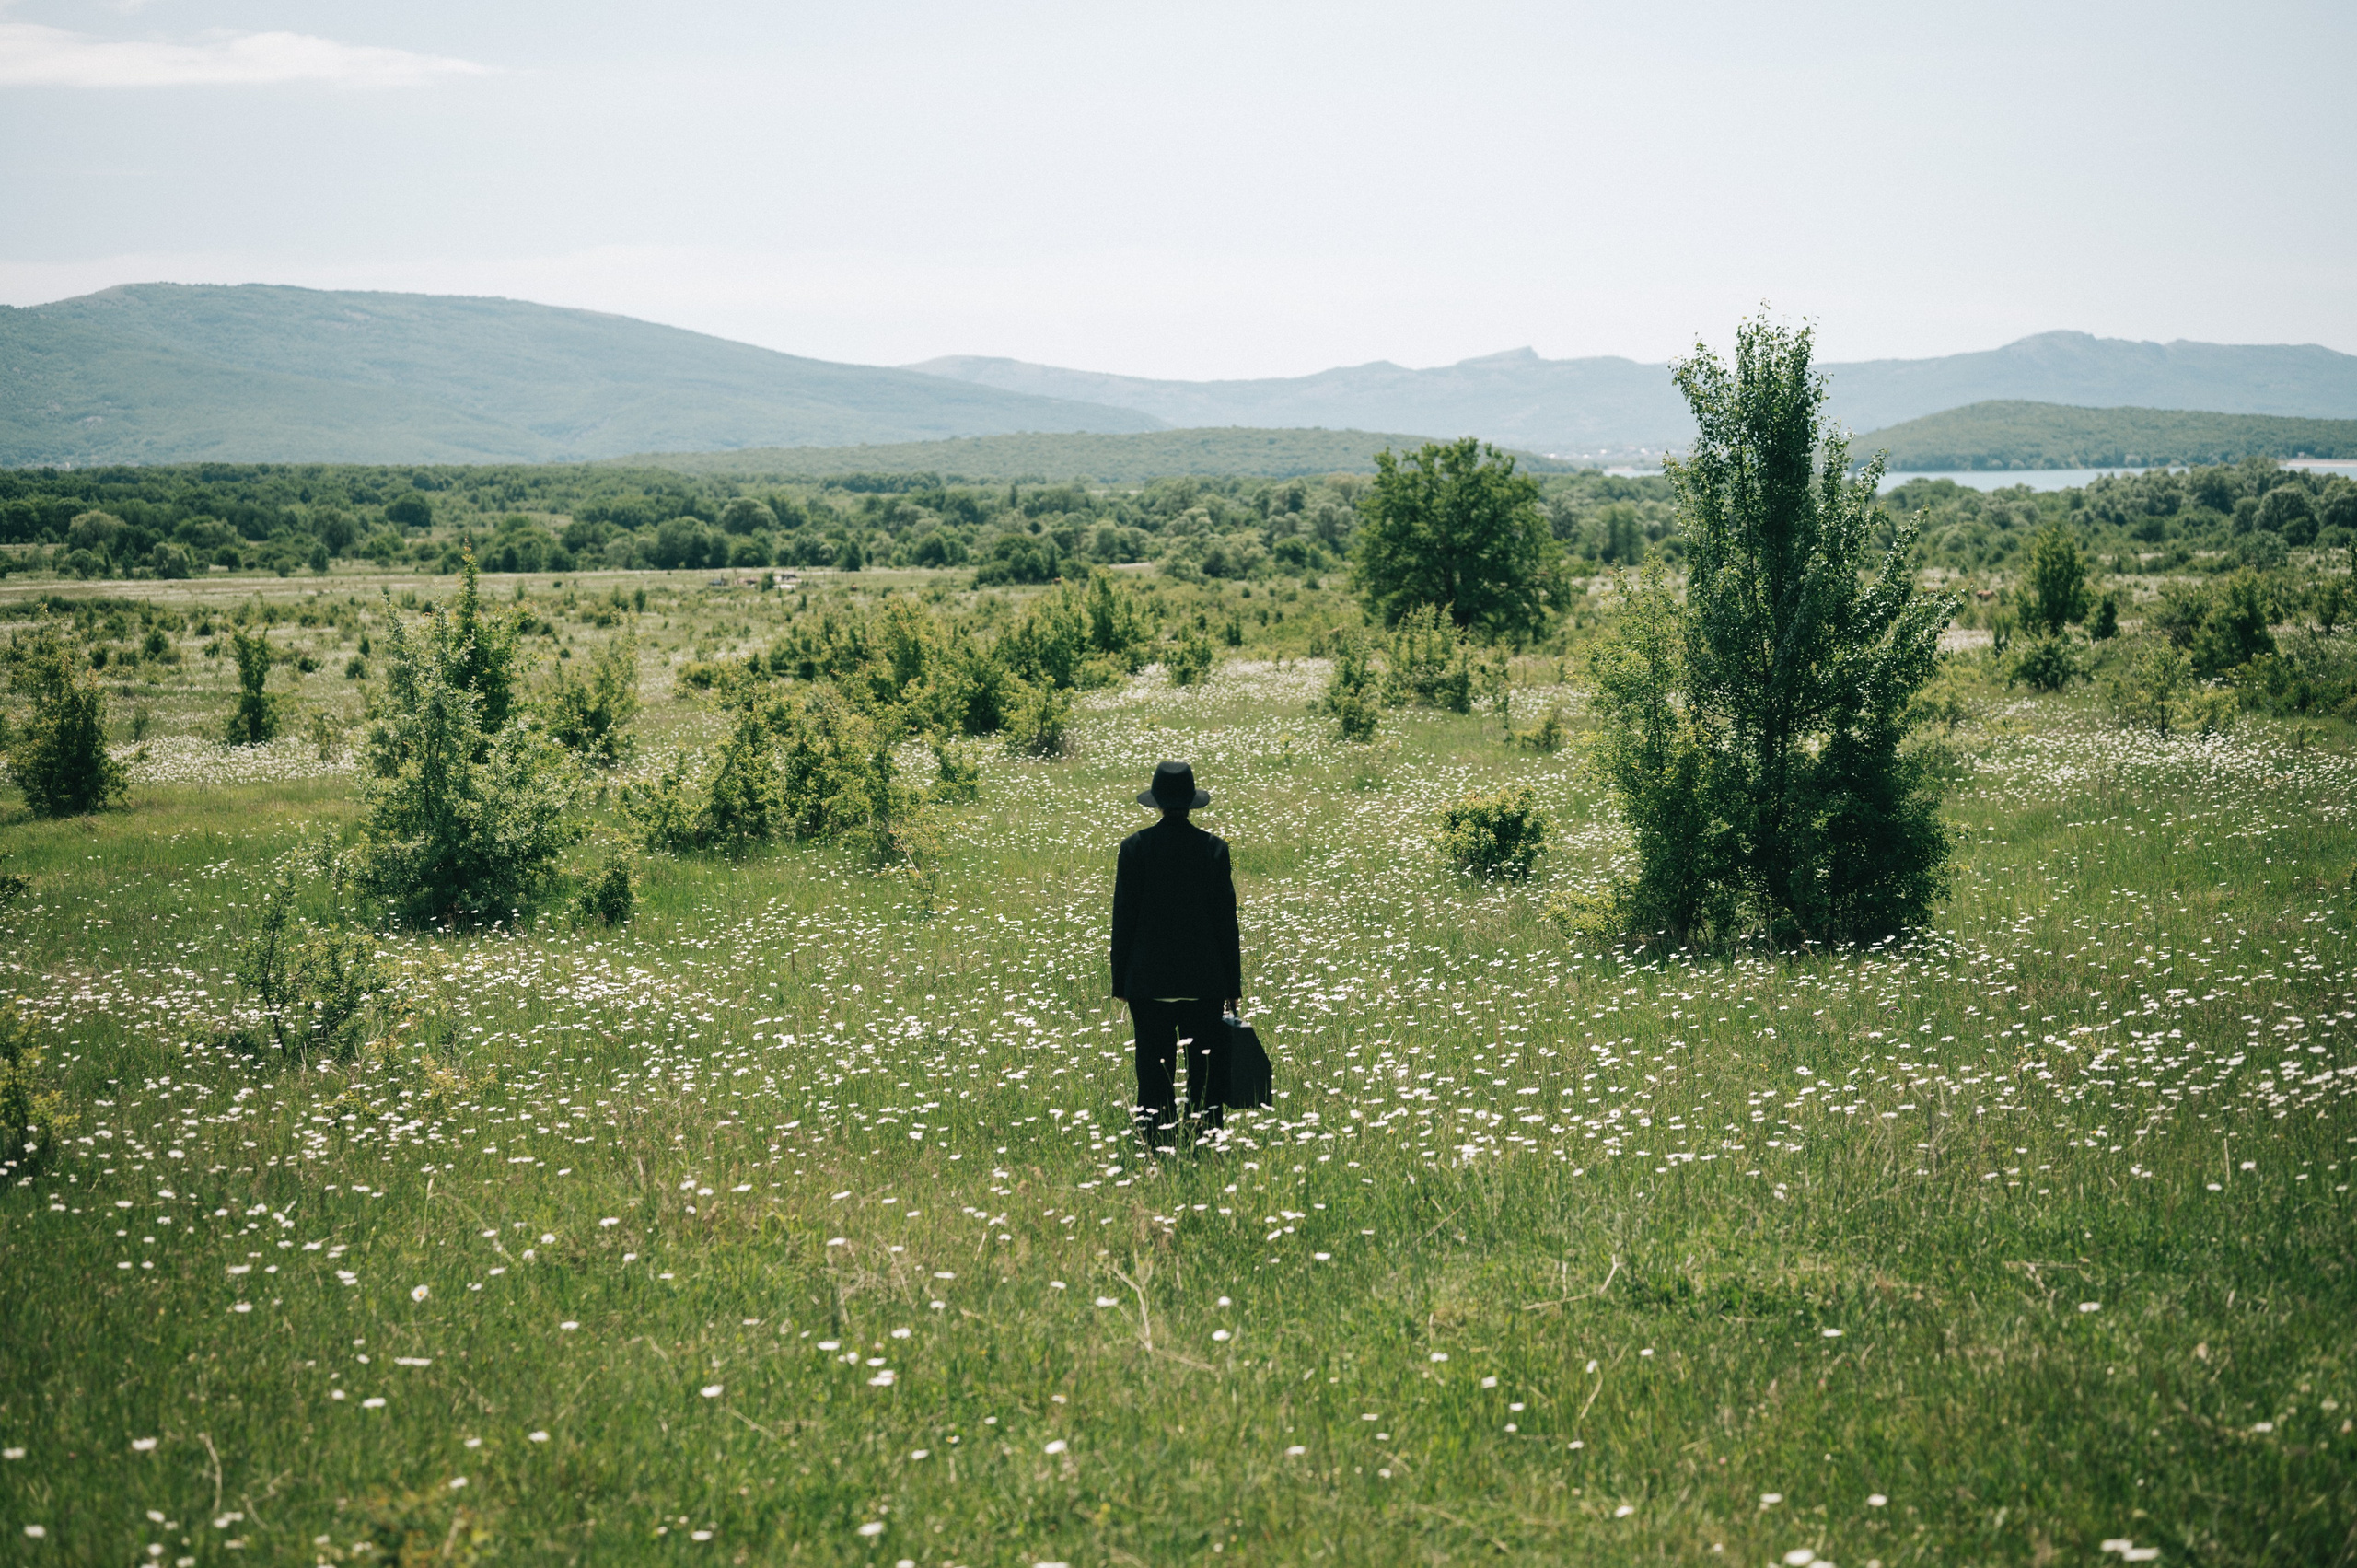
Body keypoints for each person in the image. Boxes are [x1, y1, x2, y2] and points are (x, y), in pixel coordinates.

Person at [1109, 761, 1241, 1148]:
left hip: (1149, 982)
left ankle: (1155, 1144)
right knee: (1204, 1069)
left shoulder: (1134, 848)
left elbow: (1124, 919)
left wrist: (1121, 981)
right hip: (1204, 980)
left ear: (1157, 803)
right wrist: (1232, 984)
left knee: (1153, 1070)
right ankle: (1204, 1139)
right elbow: (1225, 923)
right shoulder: (1214, 848)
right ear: (1191, 803)